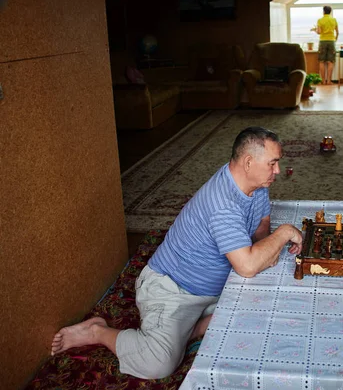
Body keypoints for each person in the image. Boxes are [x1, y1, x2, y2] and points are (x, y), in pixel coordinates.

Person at [51, 127, 303, 379]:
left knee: (267, 308)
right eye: (273, 163)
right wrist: (284, 233)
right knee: (157, 364)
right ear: (248, 162)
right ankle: (98, 331)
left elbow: (261, 227)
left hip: (213, 289)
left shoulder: (255, 184)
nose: (277, 171)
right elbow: (248, 266)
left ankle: (189, 329)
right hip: (174, 289)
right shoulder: (223, 203)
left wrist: (264, 252)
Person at [311, 5, 339, 85]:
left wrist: (315, 30)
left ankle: (323, 81)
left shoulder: (320, 20)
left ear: (323, 11)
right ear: (330, 12)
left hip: (323, 41)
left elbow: (319, 32)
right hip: (331, 41)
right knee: (330, 61)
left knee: (322, 61)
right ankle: (329, 81)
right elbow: (337, 32)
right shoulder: (334, 20)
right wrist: (335, 39)